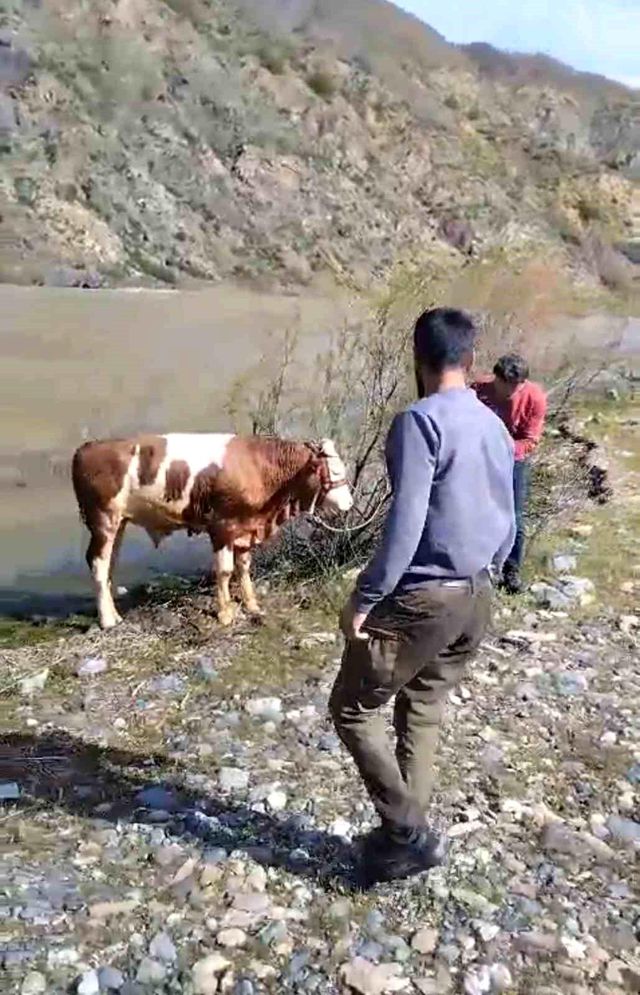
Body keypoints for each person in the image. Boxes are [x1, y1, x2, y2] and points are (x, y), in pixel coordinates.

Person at [330, 308, 516, 887]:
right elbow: (507, 517)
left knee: (352, 708)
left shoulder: (419, 421)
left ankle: (410, 833)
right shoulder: (492, 423)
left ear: (418, 358)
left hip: (424, 597)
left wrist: (365, 595)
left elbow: (405, 525)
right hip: (477, 591)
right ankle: (401, 837)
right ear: (471, 359)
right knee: (423, 706)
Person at [472, 354, 547, 594]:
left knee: (514, 516)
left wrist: (504, 447)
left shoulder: (535, 397)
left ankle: (511, 569)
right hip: (479, 458)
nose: (511, 391)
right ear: (497, 379)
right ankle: (476, 566)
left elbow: (530, 439)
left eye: (517, 386)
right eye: (506, 385)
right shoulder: (477, 391)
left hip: (513, 460)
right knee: (476, 512)